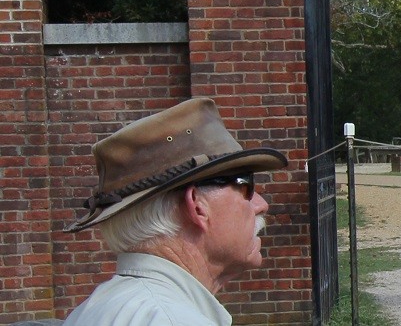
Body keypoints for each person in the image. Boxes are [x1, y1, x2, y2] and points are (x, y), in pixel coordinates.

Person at [61, 98, 288, 325]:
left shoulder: (95, 308)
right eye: (245, 184)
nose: (261, 204)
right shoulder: (172, 319)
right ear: (197, 205)